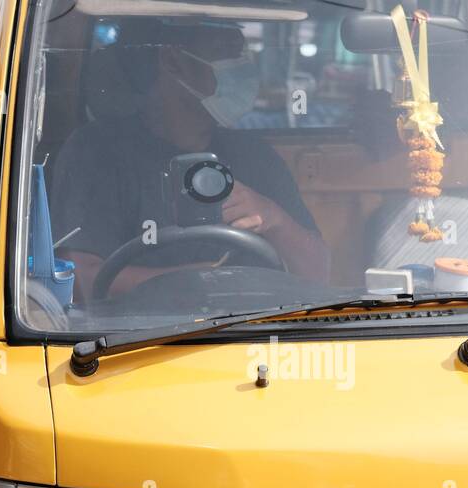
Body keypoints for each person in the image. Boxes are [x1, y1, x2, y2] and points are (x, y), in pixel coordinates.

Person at [50, 20, 329, 297]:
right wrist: (198, 282)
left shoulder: (256, 155)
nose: (244, 68)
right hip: (137, 339)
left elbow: (318, 275)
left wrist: (274, 219)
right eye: (226, 53)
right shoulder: (97, 152)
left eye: (242, 54)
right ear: (173, 61)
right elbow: (78, 278)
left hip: (253, 335)